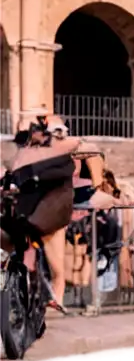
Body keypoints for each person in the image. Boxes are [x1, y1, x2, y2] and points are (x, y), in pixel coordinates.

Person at [1, 116, 80, 308]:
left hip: (48, 213)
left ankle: (56, 300)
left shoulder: (63, 158)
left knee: (56, 266)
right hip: (23, 212)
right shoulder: (21, 156)